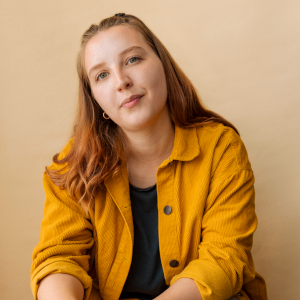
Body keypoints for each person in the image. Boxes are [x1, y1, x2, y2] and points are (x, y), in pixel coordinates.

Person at [30, 13, 268, 300]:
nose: (121, 82)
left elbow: (224, 259)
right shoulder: (73, 164)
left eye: (132, 59)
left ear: (163, 65)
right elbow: (59, 259)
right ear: (95, 98)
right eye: (101, 75)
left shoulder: (221, 147)